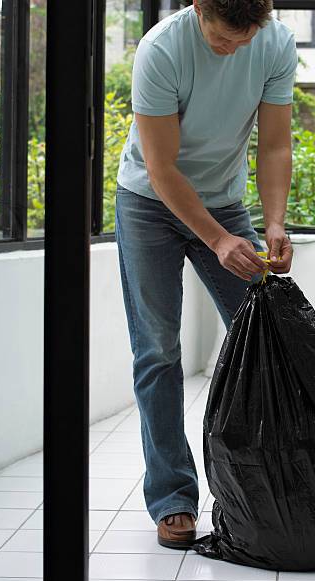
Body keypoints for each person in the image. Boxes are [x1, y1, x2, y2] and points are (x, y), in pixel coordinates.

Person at [114, 0, 296, 549]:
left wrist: (274, 224)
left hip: (224, 201)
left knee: (268, 337)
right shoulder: (161, 49)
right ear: (198, 9)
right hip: (149, 203)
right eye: (222, 39)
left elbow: (275, 142)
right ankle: (173, 498)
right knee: (159, 351)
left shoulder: (275, 43)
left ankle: (265, 486)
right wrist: (217, 239)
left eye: (245, 40)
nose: (234, 49)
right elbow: (163, 166)